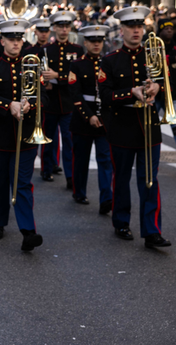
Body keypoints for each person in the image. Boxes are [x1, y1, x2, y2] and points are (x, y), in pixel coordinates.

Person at [99, 6, 171, 248]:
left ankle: (152, 231)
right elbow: (105, 95)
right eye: (131, 26)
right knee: (121, 179)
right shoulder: (109, 61)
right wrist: (131, 92)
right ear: (122, 30)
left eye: (140, 26)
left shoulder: (154, 54)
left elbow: (163, 83)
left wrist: (157, 88)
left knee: (150, 180)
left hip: (149, 125)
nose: (137, 30)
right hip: (122, 125)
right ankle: (121, 222)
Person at [0, 18, 47, 251]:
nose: (16, 43)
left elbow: (42, 97)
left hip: (25, 136)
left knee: (22, 184)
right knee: (0, 183)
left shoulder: (32, 65)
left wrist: (30, 106)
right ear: (2, 41)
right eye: (11, 39)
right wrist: (9, 105)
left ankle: (28, 231)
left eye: (19, 39)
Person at [68, 26, 113, 214]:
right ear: (85, 43)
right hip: (82, 119)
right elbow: (75, 94)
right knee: (81, 159)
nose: (96, 44)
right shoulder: (77, 65)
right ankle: (79, 192)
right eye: (92, 41)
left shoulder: (108, 63)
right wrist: (89, 116)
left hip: (104, 118)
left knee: (105, 159)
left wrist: (103, 117)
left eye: (99, 41)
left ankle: (106, 198)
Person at [39, 11, 83, 189]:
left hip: (68, 102)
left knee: (69, 141)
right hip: (50, 102)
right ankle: (46, 169)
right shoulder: (47, 50)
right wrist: (45, 80)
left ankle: (70, 176)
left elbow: (78, 75)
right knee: (47, 138)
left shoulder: (77, 50)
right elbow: (40, 75)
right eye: (60, 27)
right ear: (55, 28)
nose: (64, 30)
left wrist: (58, 76)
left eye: (67, 26)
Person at [156, 18, 176, 168]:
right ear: (160, 31)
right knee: (150, 125)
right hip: (155, 94)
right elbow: (154, 61)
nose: (169, 31)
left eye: (171, 29)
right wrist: (174, 59)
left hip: (172, 94)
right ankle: (146, 152)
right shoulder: (154, 46)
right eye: (165, 28)